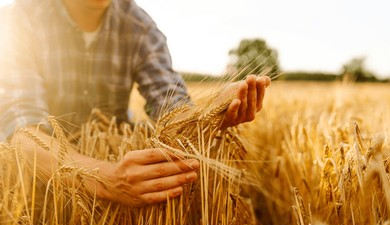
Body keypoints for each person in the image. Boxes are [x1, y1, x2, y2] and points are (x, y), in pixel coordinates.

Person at [0, 0, 271, 208]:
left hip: (114, 181)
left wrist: (212, 113)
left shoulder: (139, 26)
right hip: (34, 188)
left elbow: (172, 108)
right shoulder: (19, 19)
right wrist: (106, 179)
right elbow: (23, 133)